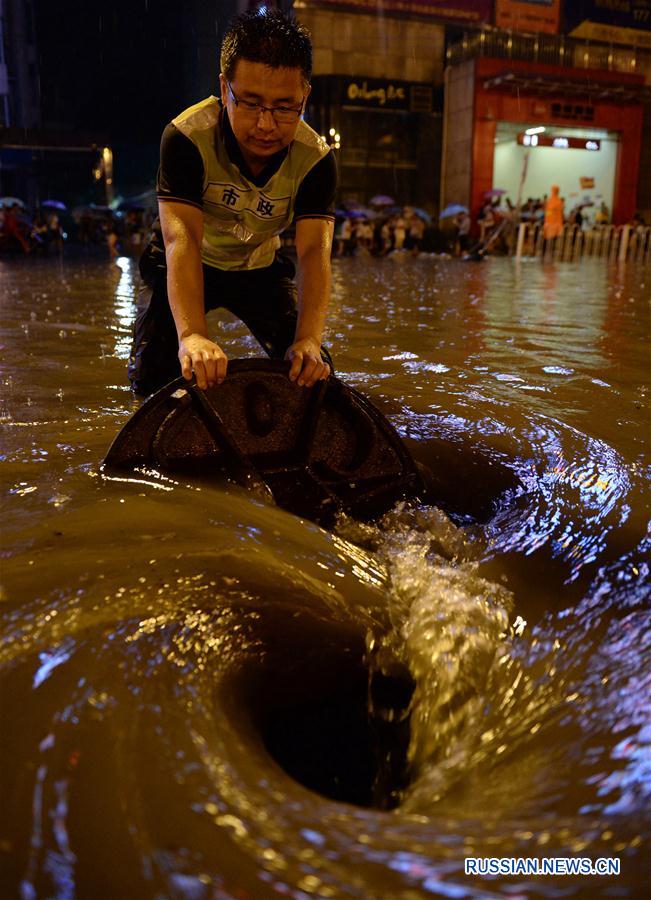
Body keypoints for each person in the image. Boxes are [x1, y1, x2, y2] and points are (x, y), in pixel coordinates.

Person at [128, 8, 337, 396]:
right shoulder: (186, 137)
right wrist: (191, 335)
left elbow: (313, 253)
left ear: (305, 97)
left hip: (257, 266)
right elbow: (182, 239)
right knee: (150, 381)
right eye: (251, 103)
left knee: (313, 374)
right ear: (225, 88)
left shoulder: (317, 159)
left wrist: (308, 339)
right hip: (190, 261)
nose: (266, 124)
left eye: (284, 107)